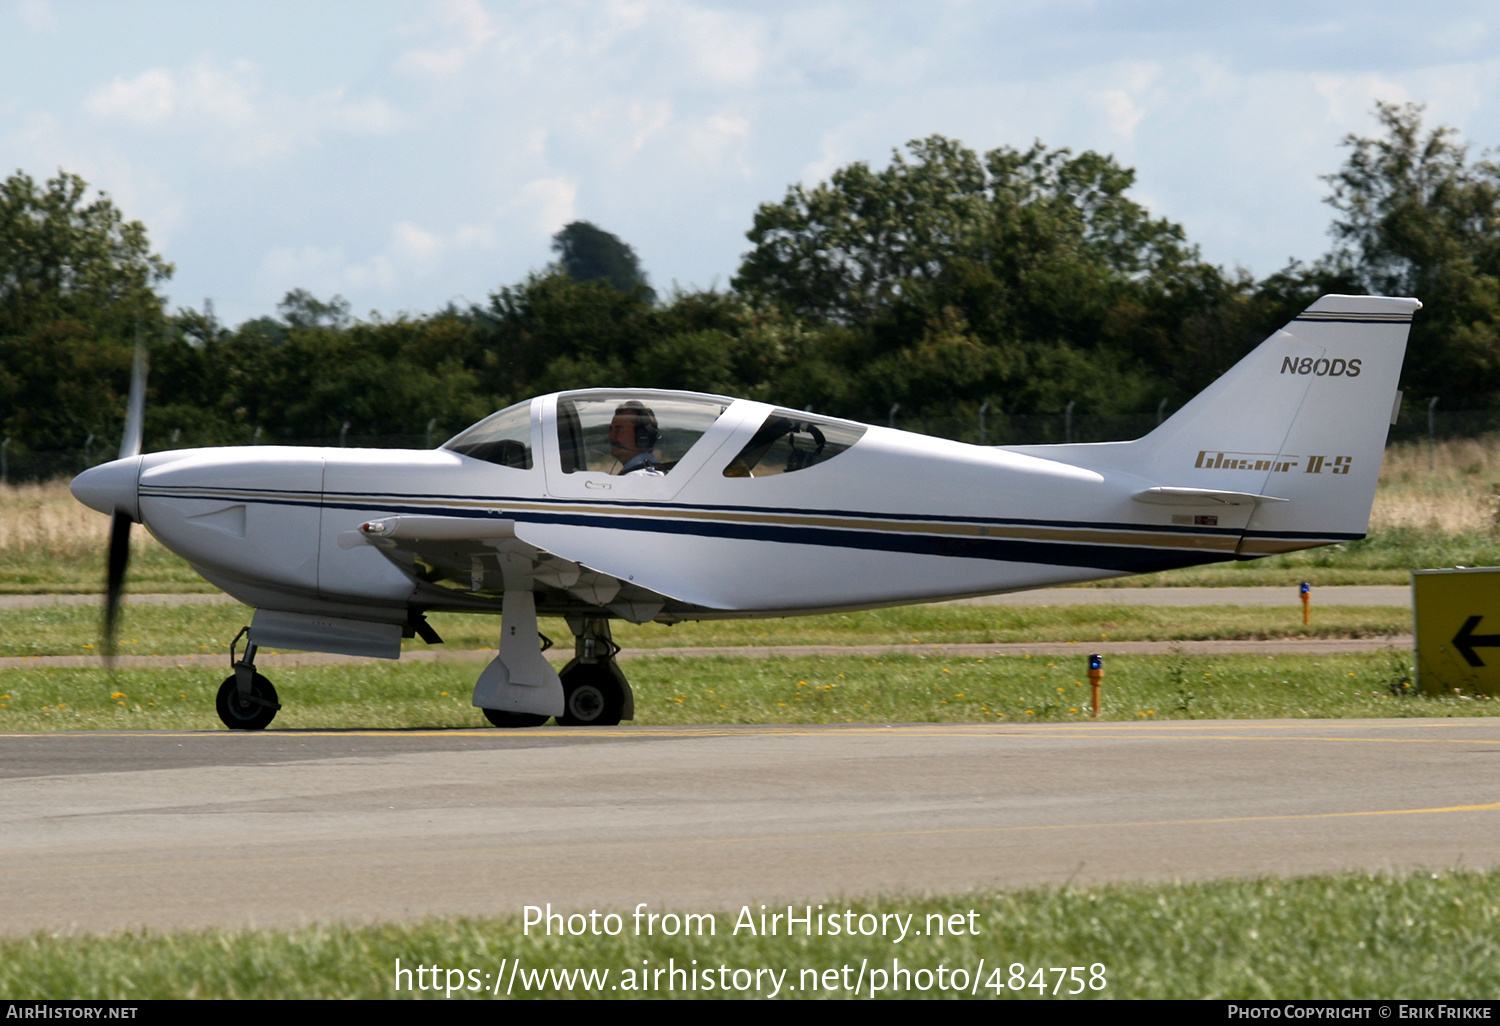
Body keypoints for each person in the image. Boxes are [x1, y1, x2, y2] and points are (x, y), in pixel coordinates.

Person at [608, 401, 664, 475]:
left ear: (642, 436)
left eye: (618, 430)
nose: (610, 437)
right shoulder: (638, 473)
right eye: (611, 430)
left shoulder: (640, 477)